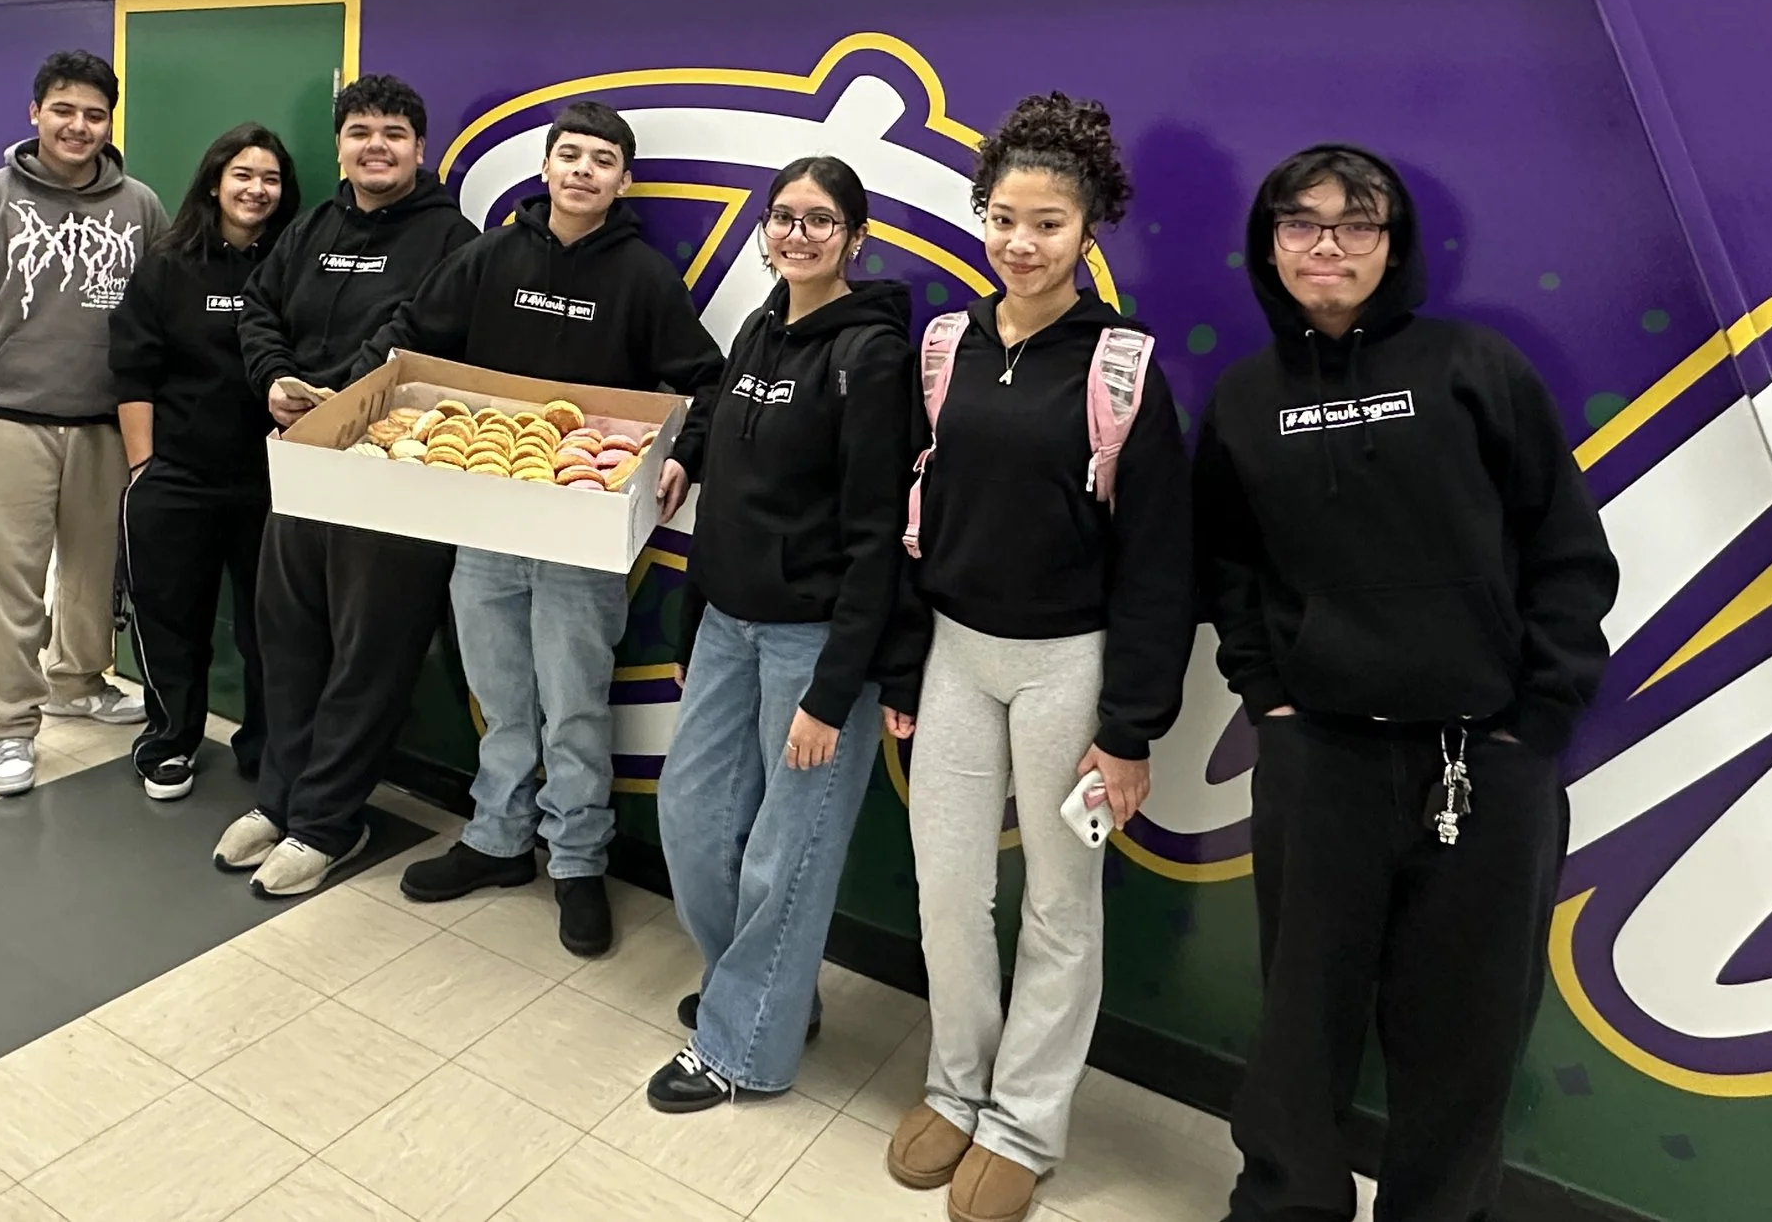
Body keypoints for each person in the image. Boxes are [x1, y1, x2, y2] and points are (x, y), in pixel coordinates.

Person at [1198, 145, 1616, 1222]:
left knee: (1465, 1038)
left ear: (1395, 246)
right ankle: (1286, 1203)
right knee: (1300, 1026)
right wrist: (1269, 701)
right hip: (1318, 759)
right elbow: (1227, 570)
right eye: (1301, 224)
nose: (1325, 246)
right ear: (1269, 244)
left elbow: (1566, 552)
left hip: (1485, 764)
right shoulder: (1244, 401)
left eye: (1355, 225)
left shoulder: (1475, 366)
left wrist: (1536, 723)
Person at [881, 94, 1195, 1222]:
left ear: (1087, 232)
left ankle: (1024, 1124)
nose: (1022, 242)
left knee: (1062, 906)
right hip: (956, 659)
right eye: (1004, 218)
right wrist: (903, 665)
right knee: (948, 889)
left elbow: (1162, 563)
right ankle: (955, 1089)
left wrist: (1129, 729)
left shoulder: (1122, 368)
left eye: (1048, 223)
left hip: (1071, 668)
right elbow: (917, 519)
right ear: (981, 217)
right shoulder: (944, 344)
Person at [351, 99, 724, 959]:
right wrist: (336, 393)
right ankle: (496, 836)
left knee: (575, 706)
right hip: (481, 512)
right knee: (500, 692)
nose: (583, 170)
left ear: (622, 179)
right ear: (546, 169)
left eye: (601, 159)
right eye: (569, 155)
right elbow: (409, 335)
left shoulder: (643, 279)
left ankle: (578, 858)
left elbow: (700, 382)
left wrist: (685, 455)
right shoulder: (489, 256)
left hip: (581, 534)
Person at [649, 156, 915, 1114]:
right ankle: (757, 993)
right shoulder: (763, 326)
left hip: (814, 640)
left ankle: (746, 1048)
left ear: (854, 235)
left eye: (819, 219)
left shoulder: (872, 356)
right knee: (692, 817)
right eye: (784, 217)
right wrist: (681, 458)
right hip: (727, 620)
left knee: (785, 851)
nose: (798, 233)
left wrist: (834, 690)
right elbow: (719, 429)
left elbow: (878, 535)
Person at [211, 75, 477, 896]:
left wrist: (338, 403)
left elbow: (418, 337)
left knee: (368, 657)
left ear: (419, 148)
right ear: (340, 146)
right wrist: (276, 377)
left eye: (393, 131)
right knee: (288, 644)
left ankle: (330, 820)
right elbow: (259, 309)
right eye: (360, 130)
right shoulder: (313, 227)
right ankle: (281, 797)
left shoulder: (454, 239)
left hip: (387, 484)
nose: (376, 145)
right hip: (297, 466)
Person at [0, 50, 167, 798]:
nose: (79, 126)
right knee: (5, 589)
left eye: (95, 114)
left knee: (93, 579)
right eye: (64, 110)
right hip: (2, 424)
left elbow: (160, 319)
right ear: (35, 113)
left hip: (103, 425)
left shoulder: (143, 207)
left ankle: (78, 680)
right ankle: (7, 728)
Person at [108, 123, 298, 802]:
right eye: (242, 174)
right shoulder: (167, 262)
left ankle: (265, 748)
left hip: (268, 484)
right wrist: (143, 468)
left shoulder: (290, 263)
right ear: (215, 180)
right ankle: (169, 742)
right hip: (176, 476)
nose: (256, 189)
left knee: (268, 629)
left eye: (270, 178)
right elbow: (132, 370)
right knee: (171, 620)